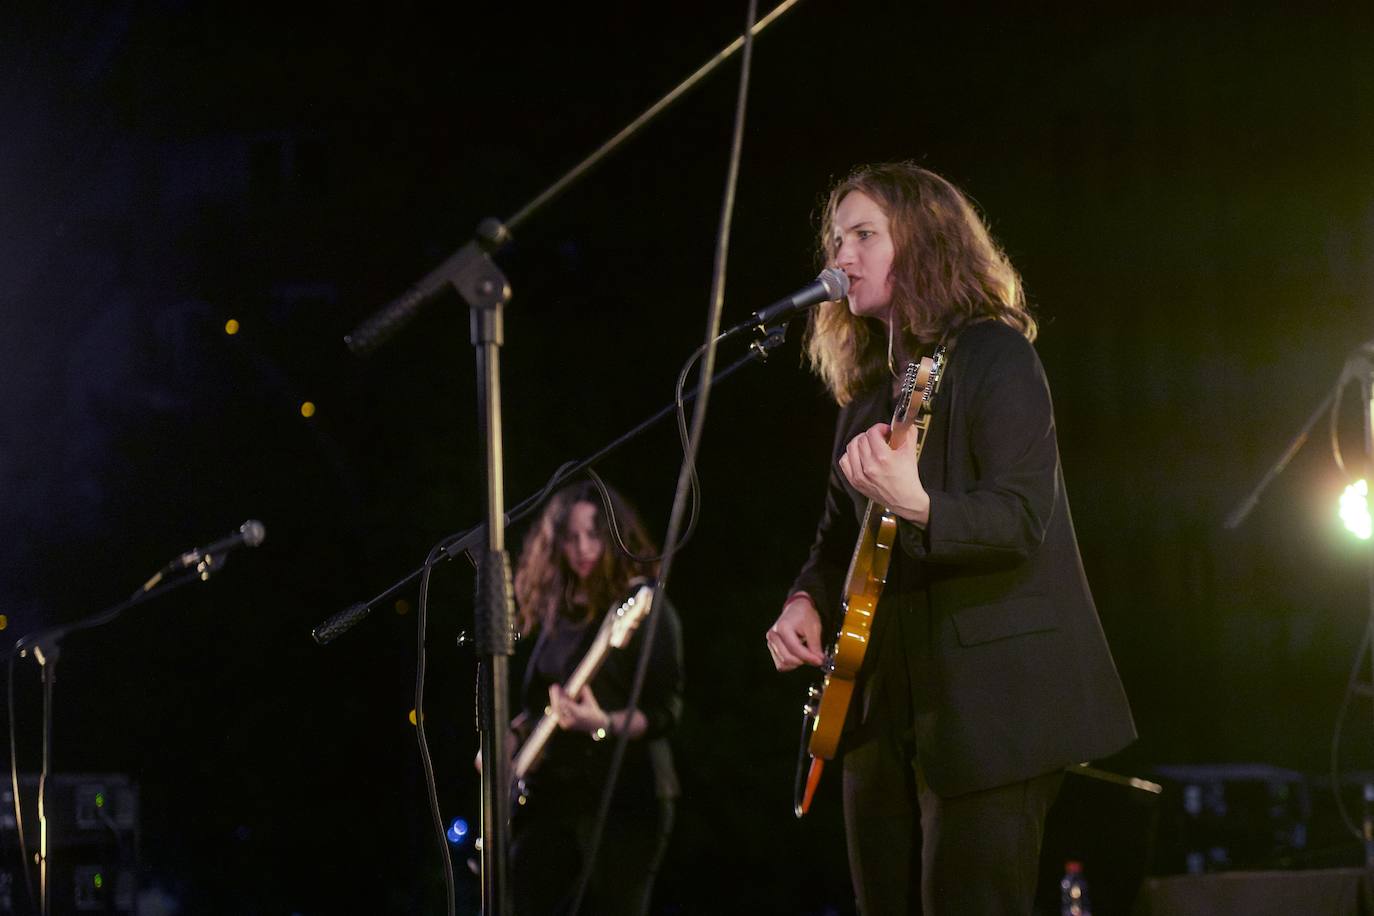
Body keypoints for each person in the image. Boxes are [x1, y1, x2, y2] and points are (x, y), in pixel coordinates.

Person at [764, 162, 1136, 915]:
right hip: (879, 711)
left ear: (925, 242)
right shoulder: (869, 392)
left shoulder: (996, 357)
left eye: (865, 234)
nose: (842, 255)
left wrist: (921, 505)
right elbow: (836, 540)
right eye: (838, 238)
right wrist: (804, 598)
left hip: (989, 709)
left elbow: (1021, 517)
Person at [503, 479, 683, 916]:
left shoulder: (642, 607)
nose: (583, 548)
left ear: (615, 535)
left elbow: (665, 713)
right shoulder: (556, 610)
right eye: (571, 538)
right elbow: (537, 706)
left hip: (626, 798)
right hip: (554, 797)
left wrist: (600, 723)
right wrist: (512, 738)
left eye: (594, 534)